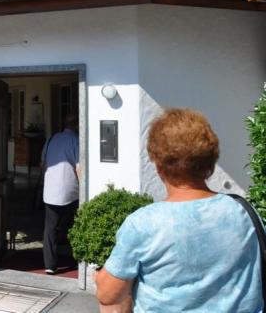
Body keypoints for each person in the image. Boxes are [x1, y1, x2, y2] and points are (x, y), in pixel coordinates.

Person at [95, 108, 263, 312]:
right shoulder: (244, 212)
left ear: (158, 165)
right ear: (210, 161)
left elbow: (108, 294)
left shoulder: (143, 224)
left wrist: (102, 277)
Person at [41, 113, 80, 275]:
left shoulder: (51, 139)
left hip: (50, 191)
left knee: (50, 228)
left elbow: (43, 164)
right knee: (75, 226)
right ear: (77, 126)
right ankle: (78, 259)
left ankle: (49, 264)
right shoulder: (76, 141)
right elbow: (79, 167)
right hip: (70, 192)